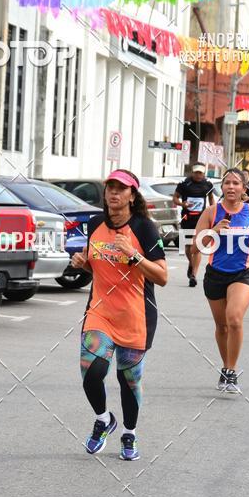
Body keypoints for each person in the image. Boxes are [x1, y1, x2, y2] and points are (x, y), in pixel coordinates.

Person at [72, 169, 168, 460]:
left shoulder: (144, 228)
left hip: (135, 315)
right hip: (100, 312)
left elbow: (162, 276)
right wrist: (82, 263)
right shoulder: (95, 223)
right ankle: (103, 420)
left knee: (129, 380)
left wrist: (134, 254)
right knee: (92, 372)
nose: (114, 192)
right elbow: (97, 265)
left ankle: (129, 433)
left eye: (121, 188)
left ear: (132, 195)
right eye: (110, 187)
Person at [189, 168, 249, 392]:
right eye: (227, 183)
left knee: (233, 319)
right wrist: (213, 231)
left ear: (244, 188)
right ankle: (226, 367)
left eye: (236, 183)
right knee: (222, 326)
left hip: (244, 273)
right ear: (222, 187)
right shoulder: (211, 212)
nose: (231, 187)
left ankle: (232, 371)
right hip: (215, 274)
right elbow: (195, 247)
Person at [173, 164, 215, 288]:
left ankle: (194, 275)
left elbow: (211, 200)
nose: (198, 175)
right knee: (188, 247)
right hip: (187, 218)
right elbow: (175, 198)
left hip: (201, 219)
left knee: (198, 246)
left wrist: (213, 212)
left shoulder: (208, 185)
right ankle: (191, 264)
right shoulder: (184, 184)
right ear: (192, 172)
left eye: (200, 173)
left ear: (204, 173)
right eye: (196, 172)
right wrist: (183, 204)